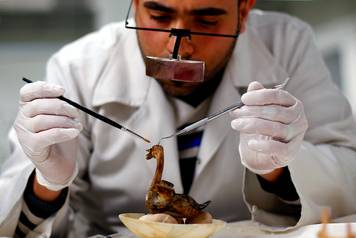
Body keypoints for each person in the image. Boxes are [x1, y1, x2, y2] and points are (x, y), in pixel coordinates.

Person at [1, 0, 356, 237]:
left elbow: (348, 175)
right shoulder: (79, 67)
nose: (178, 49)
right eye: (158, 16)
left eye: (206, 19)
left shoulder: (286, 45)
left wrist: (278, 171)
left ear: (244, 10)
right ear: (135, 4)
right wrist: (46, 184)